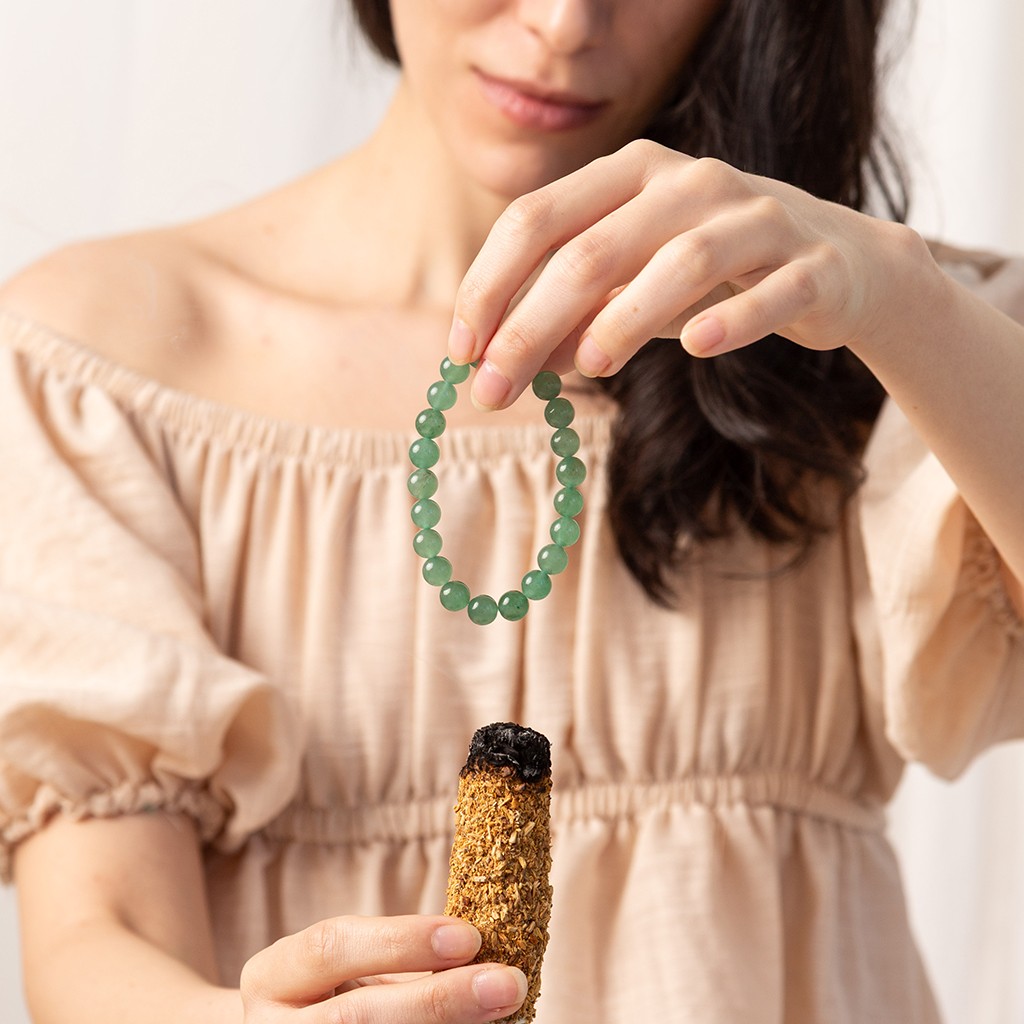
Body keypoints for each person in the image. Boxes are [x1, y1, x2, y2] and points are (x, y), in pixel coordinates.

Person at [1, 0, 1022, 1021]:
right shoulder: (95, 366)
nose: (564, 24)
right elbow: (101, 935)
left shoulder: (894, 332)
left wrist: (908, 308)